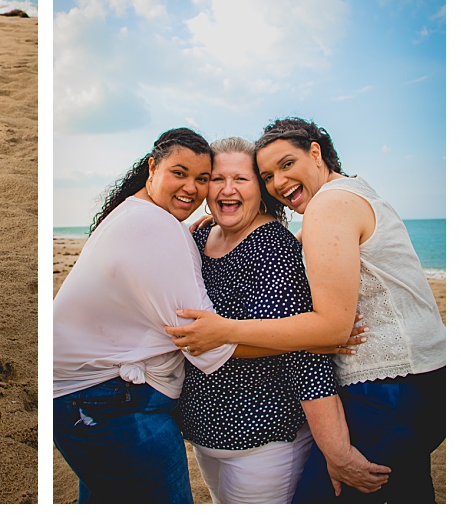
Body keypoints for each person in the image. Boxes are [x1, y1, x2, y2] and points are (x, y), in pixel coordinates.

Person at [166, 117, 445, 503]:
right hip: (421, 381)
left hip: (389, 388)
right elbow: (318, 254)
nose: (278, 182)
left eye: (285, 165)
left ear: (315, 153)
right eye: (267, 175)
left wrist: (224, 330)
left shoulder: (329, 205)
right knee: (406, 496)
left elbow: (329, 331)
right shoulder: (346, 196)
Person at [53, 129, 236, 503]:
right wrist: (313, 335)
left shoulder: (138, 214)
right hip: (109, 407)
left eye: (202, 179)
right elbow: (204, 341)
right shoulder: (155, 225)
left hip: (87, 401)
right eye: (180, 173)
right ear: (152, 167)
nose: (192, 188)